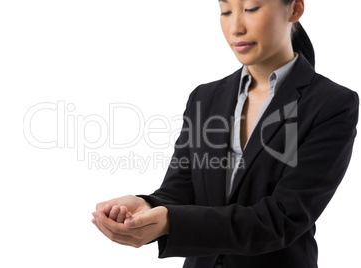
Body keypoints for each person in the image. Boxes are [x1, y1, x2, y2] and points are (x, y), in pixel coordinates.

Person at [91, 0, 359, 267]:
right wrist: (145, 207)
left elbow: (282, 218)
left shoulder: (332, 104)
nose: (235, 27)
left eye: (251, 9)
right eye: (226, 11)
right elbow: (180, 189)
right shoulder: (205, 98)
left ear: (295, 9)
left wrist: (171, 222)